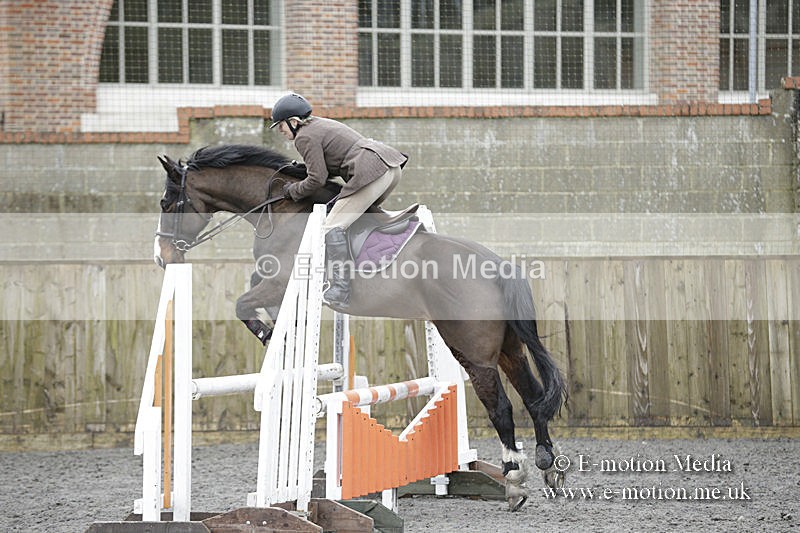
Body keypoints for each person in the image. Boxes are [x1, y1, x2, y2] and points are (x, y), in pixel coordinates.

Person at [269, 93, 408, 308]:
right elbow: (327, 163)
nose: (280, 130)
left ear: (294, 122)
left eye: (281, 125)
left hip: (371, 172)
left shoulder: (304, 137)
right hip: (390, 167)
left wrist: (292, 191)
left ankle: (340, 289)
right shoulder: (319, 124)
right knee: (351, 217)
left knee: (331, 226)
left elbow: (317, 179)